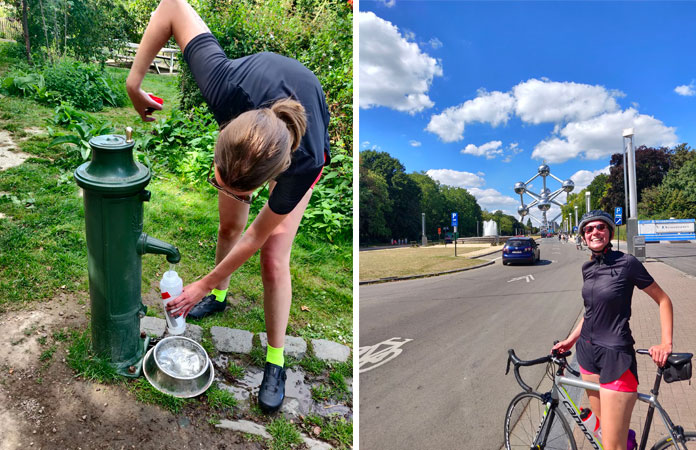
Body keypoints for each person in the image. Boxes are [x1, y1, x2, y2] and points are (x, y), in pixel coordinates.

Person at [125, 0, 330, 414]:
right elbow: (171, 7)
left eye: (242, 192)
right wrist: (134, 82)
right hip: (253, 113)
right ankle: (220, 294)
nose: (230, 192)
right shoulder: (223, 85)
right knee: (227, 228)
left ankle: (276, 359)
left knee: (273, 257)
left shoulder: (302, 164)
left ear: (265, 184)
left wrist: (197, 281)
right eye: (221, 180)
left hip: (301, 146)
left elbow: (259, 233)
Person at [552, 210, 673, 450]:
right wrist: (570, 340)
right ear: (583, 237)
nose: (594, 232)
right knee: (604, 430)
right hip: (587, 356)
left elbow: (664, 300)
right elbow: (590, 312)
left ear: (609, 231)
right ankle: (628, 441)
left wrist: (665, 342)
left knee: (611, 446)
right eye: (588, 229)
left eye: (600, 227)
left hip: (616, 358)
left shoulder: (627, 263)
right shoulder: (587, 268)